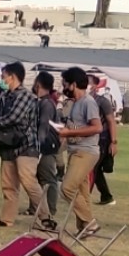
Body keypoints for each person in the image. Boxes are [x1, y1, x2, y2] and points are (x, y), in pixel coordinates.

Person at [0, 62, 48, 229]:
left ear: (12, 77)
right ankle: (6, 219)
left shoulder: (26, 96)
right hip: (8, 145)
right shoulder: (4, 96)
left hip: (25, 146)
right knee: (8, 185)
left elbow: (13, 117)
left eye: (3, 76)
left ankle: (45, 217)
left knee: (29, 182)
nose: (2, 79)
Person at [54, 68, 104, 237]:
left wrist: (69, 133)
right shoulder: (76, 103)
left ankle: (90, 223)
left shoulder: (87, 102)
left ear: (73, 84)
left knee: (66, 188)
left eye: (65, 84)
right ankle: (84, 227)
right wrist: (65, 130)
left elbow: (97, 127)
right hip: (76, 151)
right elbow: (77, 127)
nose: (63, 88)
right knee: (82, 192)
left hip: (86, 152)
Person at [31, 71, 62, 218]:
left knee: (48, 178)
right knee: (36, 178)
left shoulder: (47, 103)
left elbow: (44, 125)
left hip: (47, 146)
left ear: (39, 83)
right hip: (42, 145)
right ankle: (35, 208)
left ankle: (50, 210)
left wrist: (39, 145)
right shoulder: (42, 101)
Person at [91, 78, 120, 206]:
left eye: (89, 82)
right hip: (90, 139)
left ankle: (86, 195)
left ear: (95, 85)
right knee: (95, 170)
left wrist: (113, 142)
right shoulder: (82, 101)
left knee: (92, 168)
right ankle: (106, 196)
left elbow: (111, 121)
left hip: (102, 139)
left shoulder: (102, 101)